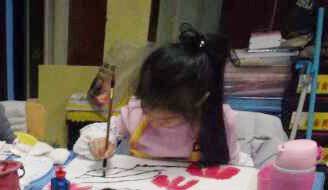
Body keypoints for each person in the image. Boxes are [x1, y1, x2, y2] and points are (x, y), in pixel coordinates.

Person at [74, 24, 250, 166]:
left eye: (167, 119)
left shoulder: (218, 121)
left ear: (199, 101)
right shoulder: (136, 113)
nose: (155, 121)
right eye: (147, 110)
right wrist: (100, 140)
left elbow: (235, 168)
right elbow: (102, 130)